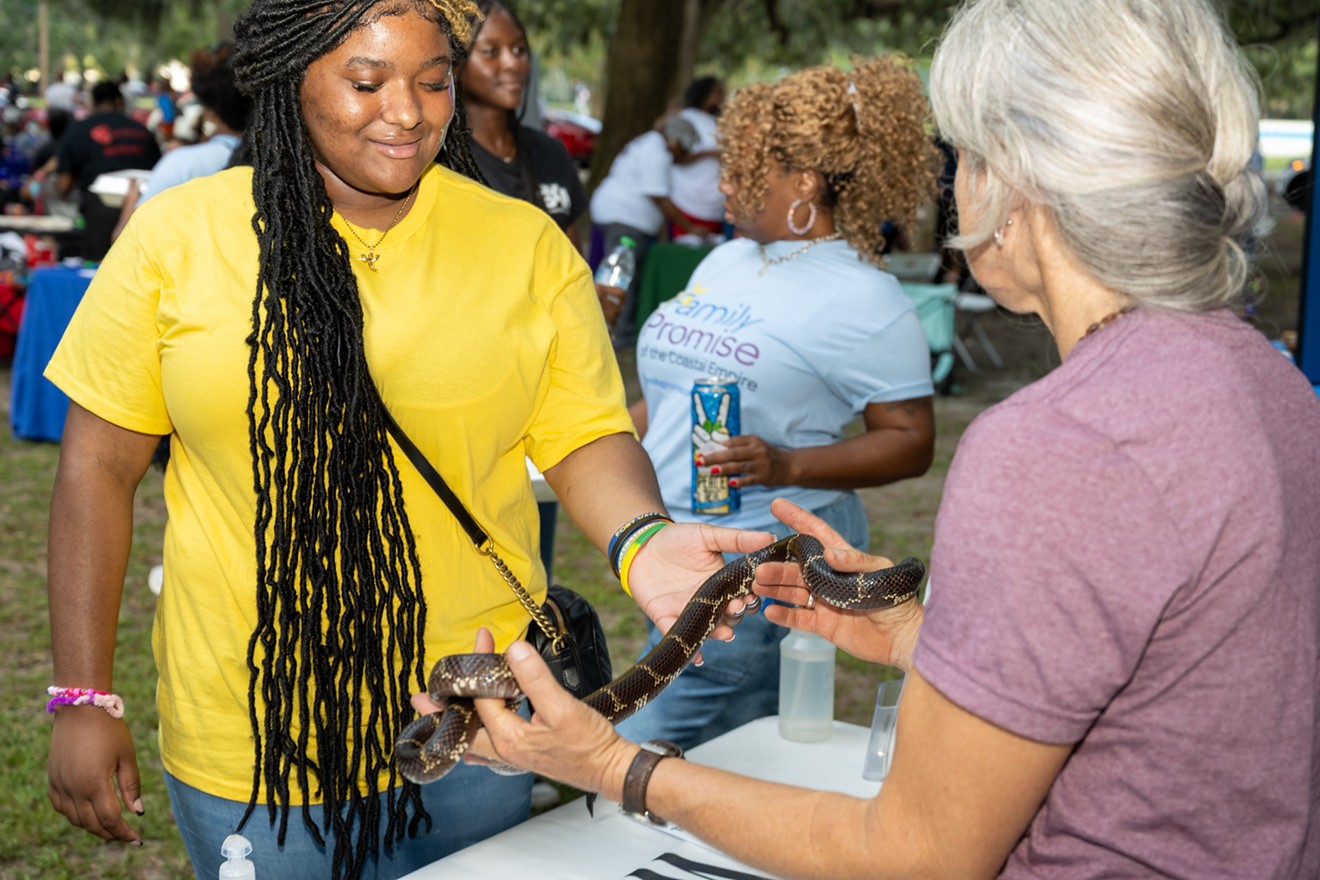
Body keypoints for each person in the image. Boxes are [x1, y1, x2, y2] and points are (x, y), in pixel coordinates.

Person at [464, 1, 1320, 876]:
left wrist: (614, 766)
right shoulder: (1273, 385)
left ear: (1015, 179)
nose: (951, 186)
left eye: (962, 157)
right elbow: (1170, 688)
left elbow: (917, 856)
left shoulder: (1058, 447)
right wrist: (924, 638)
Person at [42, 2, 764, 879]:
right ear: (290, 80)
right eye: (366, 81)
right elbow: (96, 469)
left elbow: (583, 436)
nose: (410, 112)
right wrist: (82, 696)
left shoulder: (522, 243)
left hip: (481, 723)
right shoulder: (178, 237)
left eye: (432, 82)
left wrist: (645, 541)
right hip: (255, 734)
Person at [616, 56, 938, 750]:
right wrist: (594, 450)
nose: (722, 182)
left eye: (743, 165)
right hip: (680, 543)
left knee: (653, 745)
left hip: (768, 561)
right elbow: (669, 395)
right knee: (723, 754)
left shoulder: (866, 296)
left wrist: (787, 464)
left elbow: (912, 438)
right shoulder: (726, 258)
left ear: (805, 181)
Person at [458, 1, 622, 327]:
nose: (513, 64)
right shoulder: (442, 162)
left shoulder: (549, 152)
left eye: (520, 50)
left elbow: (572, 262)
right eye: (491, 51)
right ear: (455, 59)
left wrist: (591, 298)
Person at [112, 42, 253, 241]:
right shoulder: (285, 161)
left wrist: (130, 205)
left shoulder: (182, 164)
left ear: (207, 107)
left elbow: (125, 241)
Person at [589, 113, 704, 347]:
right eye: (684, 148)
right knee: (621, 278)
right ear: (674, 140)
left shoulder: (650, 143)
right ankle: (617, 336)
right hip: (624, 219)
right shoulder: (656, 152)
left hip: (617, 215)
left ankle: (613, 333)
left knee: (618, 276)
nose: (683, 155)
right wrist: (690, 226)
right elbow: (659, 197)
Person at [53, 80, 161, 260]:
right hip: (144, 208)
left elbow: (63, 185)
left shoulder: (79, 130)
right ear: (119, 102)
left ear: (93, 103)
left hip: (100, 210)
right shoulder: (142, 131)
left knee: (99, 275)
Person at [668, 76, 726, 239]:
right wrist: (708, 154)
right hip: (688, 199)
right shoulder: (686, 117)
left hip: (715, 202)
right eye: (715, 92)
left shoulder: (718, 122)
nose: (720, 96)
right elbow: (677, 157)